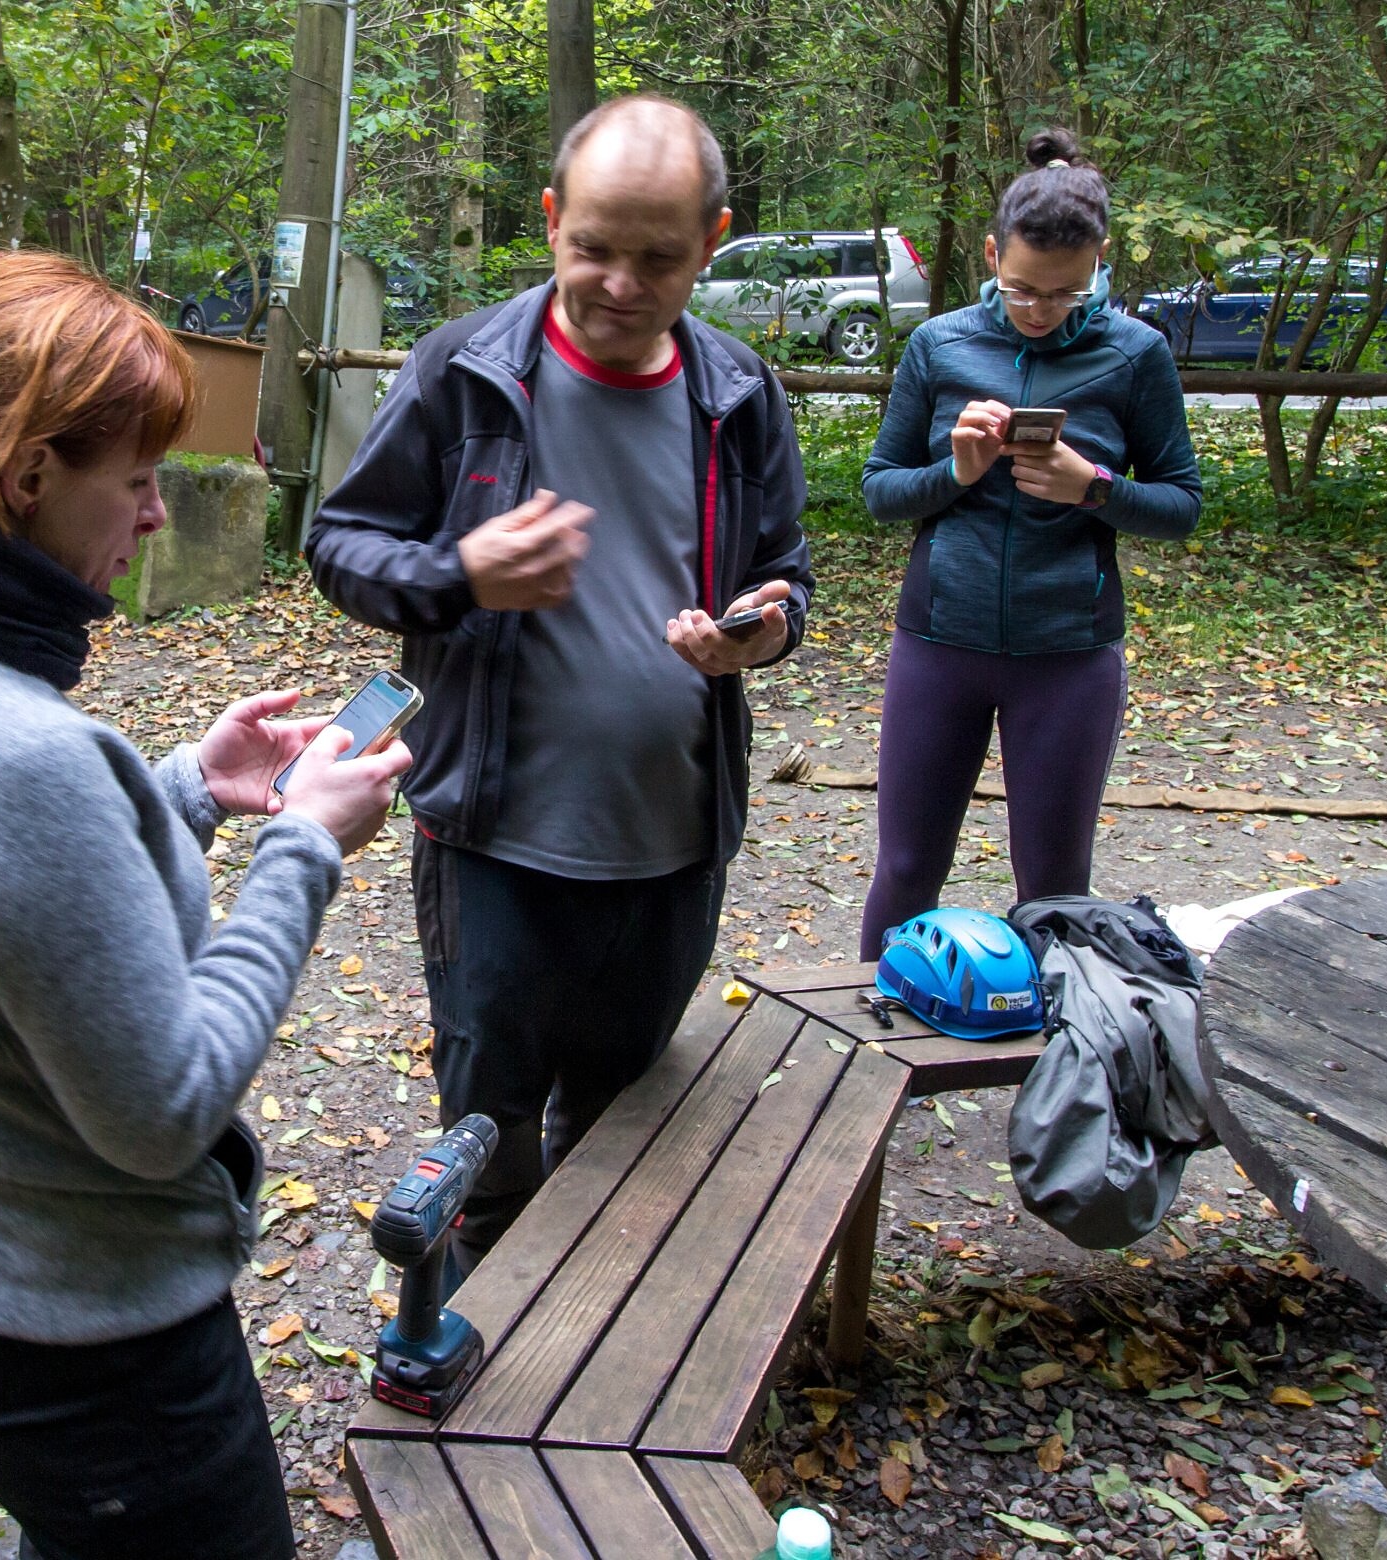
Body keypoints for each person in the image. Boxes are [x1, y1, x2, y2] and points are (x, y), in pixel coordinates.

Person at [0, 252, 407, 1559]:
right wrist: (303, 848)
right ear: (27, 480)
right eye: (132, 481)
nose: (151, 518)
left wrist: (184, 786)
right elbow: (164, 1109)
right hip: (98, 1353)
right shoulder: (6, 752)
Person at [305, 95, 814, 1265]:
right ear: (549, 221)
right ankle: (478, 1363)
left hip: (670, 847)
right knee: (486, 1145)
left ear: (713, 240)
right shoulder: (463, 372)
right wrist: (460, 572)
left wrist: (758, 638)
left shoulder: (738, 393)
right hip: (492, 847)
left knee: (627, 1135)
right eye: (593, 247)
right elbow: (339, 546)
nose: (621, 284)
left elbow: (784, 577)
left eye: (658, 257)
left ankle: (590, 1362)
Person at [857, 127, 1201, 959]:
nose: (1042, 313)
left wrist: (1095, 488)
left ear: (1101, 262)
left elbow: (1181, 505)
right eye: (1020, 292)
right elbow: (878, 492)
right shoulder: (941, 344)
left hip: (1069, 655)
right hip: (940, 642)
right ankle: (864, 1051)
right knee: (906, 867)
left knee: (1053, 887)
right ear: (989, 255)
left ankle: (1057, 1074)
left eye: (1066, 294)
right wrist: (958, 471)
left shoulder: (1136, 354)